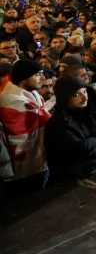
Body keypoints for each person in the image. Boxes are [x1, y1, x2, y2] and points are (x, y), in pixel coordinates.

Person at [44, 75, 96, 182]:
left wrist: (95, 152)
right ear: (65, 97)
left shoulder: (94, 112)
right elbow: (82, 149)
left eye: (85, 92)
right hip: (74, 179)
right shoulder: (58, 123)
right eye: (77, 94)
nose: (84, 97)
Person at [0, 60, 53, 195]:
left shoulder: (33, 94)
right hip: (23, 169)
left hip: (39, 160)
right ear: (24, 78)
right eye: (37, 75)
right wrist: (48, 108)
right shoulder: (9, 99)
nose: (42, 78)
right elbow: (24, 126)